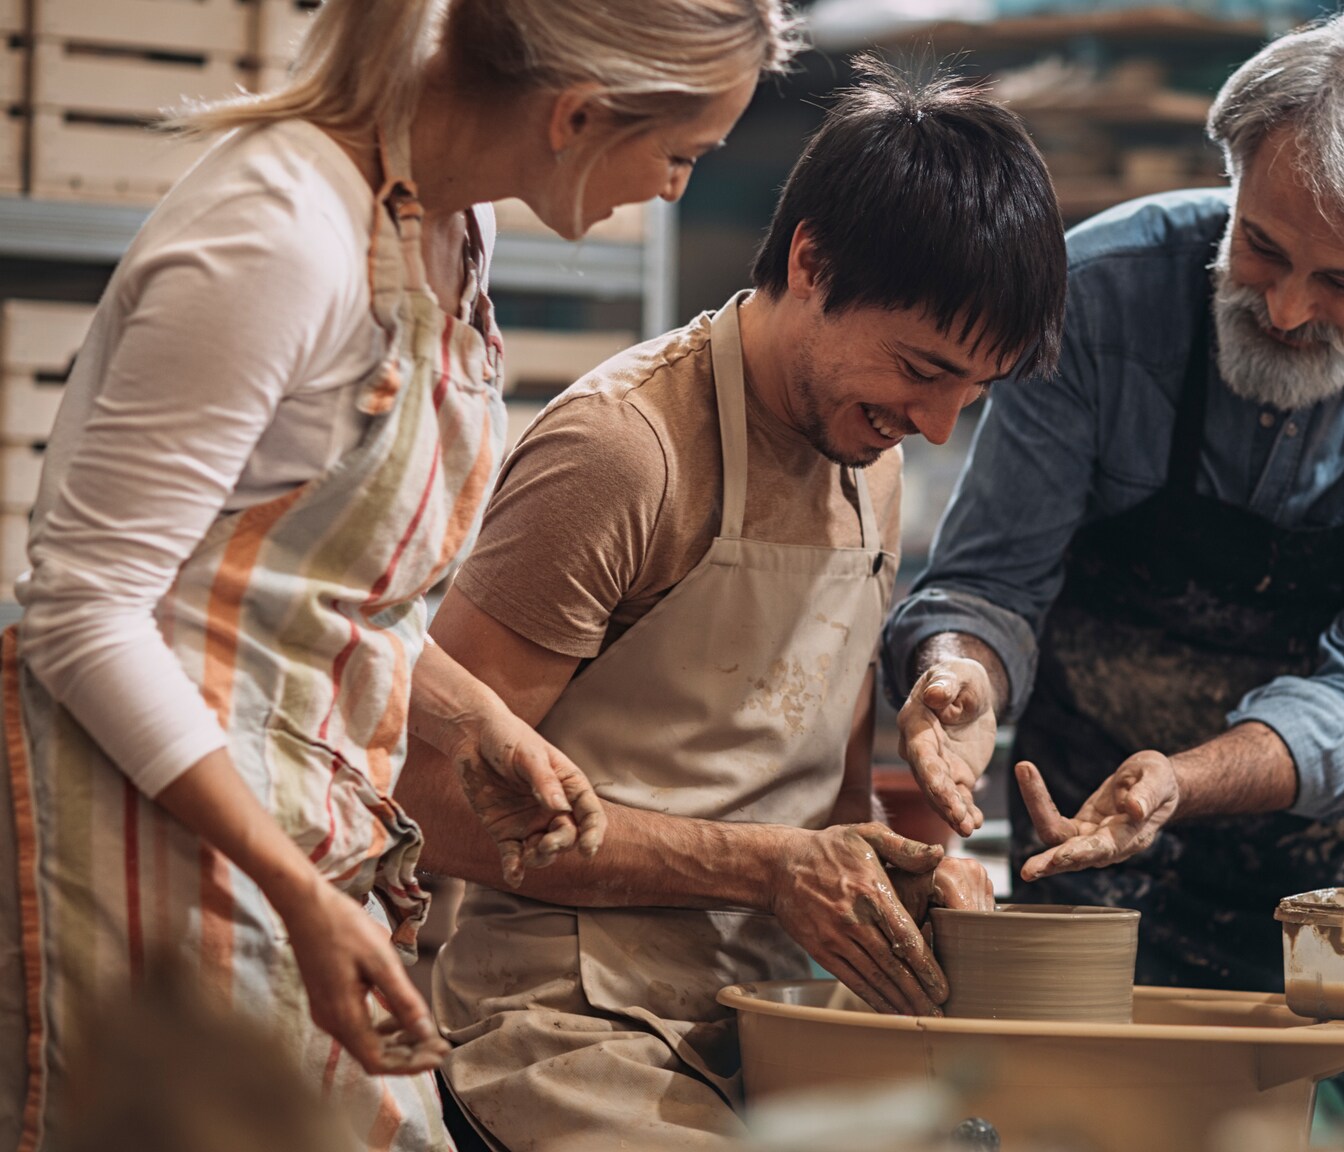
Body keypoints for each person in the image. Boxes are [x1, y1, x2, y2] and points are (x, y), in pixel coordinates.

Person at [0, 1, 796, 1148]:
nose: (675, 190)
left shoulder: (445, 232)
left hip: (308, 835)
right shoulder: (278, 235)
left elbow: (309, 593)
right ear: (574, 114)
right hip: (160, 842)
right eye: (680, 156)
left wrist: (480, 724)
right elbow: (86, 611)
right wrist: (290, 890)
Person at [884, 15, 1344, 1150]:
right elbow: (988, 583)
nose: (1287, 308)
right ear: (1230, 177)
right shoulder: (1093, 298)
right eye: (1259, 248)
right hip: (1100, 853)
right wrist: (957, 671)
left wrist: (1183, 780)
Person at [399, 61, 1066, 1150]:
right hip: (563, 1017)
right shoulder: (624, 453)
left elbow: (828, 808)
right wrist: (762, 868)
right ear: (811, 261)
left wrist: (912, 878)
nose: (938, 424)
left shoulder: (871, 453)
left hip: (770, 1006)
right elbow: (429, 794)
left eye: (969, 394)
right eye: (918, 369)